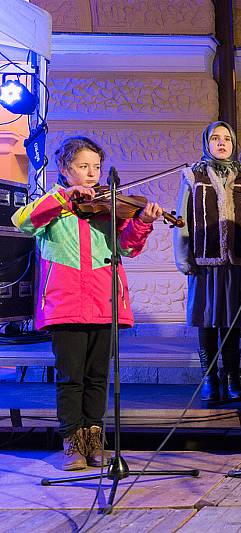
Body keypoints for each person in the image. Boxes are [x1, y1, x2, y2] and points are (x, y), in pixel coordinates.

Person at [12, 136, 163, 470]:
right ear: (66, 169)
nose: (92, 173)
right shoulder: (52, 202)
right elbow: (22, 222)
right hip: (64, 304)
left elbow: (128, 248)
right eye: (84, 166)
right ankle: (71, 443)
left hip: (104, 301)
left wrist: (142, 223)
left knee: (97, 376)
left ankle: (95, 441)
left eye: (96, 166)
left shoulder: (108, 206)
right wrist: (66, 198)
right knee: (70, 377)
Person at [174, 121, 241, 402]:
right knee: (207, 320)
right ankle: (210, 378)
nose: (222, 143)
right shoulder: (194, 176)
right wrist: (183, 257)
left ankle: (232, 377)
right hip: (204, 261)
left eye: (227, 138)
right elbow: (182, 220)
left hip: (236, 261)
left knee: (232, 323)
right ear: (207, 143)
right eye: (216, 138)